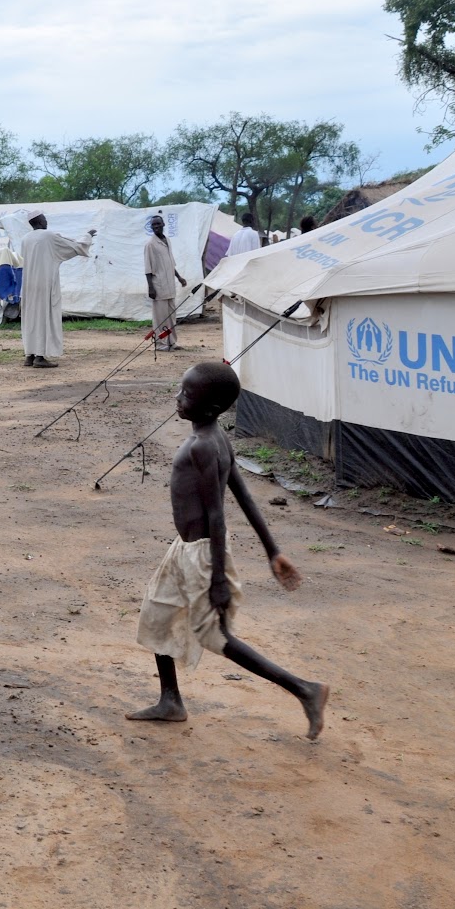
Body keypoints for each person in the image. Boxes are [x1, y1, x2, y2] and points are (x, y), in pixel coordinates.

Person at [126, 362, 330, 739]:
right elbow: (245, 495)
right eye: (180, 389)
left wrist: (218, 579)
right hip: (184, 549)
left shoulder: (205, 446)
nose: (177, 397)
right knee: (158, 613)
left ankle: (305, 690)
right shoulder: (216, 437)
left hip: (203, 555)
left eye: (187, 394)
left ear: (211, 408)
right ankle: (170, 701)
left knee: (216, 636)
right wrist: (273, 551)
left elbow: (217, 515)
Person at [19, 212, 94, 369]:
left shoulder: (25, 239)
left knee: (31, 318)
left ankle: (30, 355)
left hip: (28, 285)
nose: (46, 221)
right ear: (39, 221)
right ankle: (40, 357)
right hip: (44, 283)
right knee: (43, 317)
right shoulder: (48, 236)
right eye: (44, 219)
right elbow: (74, 246)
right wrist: (88, 236)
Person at [143, 214, 188, 351]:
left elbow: (170, 263)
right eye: (153, 225)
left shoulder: (167, 240)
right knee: (160, 318)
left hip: (170, 286)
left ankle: (172, 342)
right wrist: (151, 288)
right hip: (159, 286)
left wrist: (179, 277)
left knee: (171, 316)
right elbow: (148, 269)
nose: (156, 226)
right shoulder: (150, 245)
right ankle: (161, 344)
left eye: (158, 224)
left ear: (163, 224)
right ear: (151, 227)